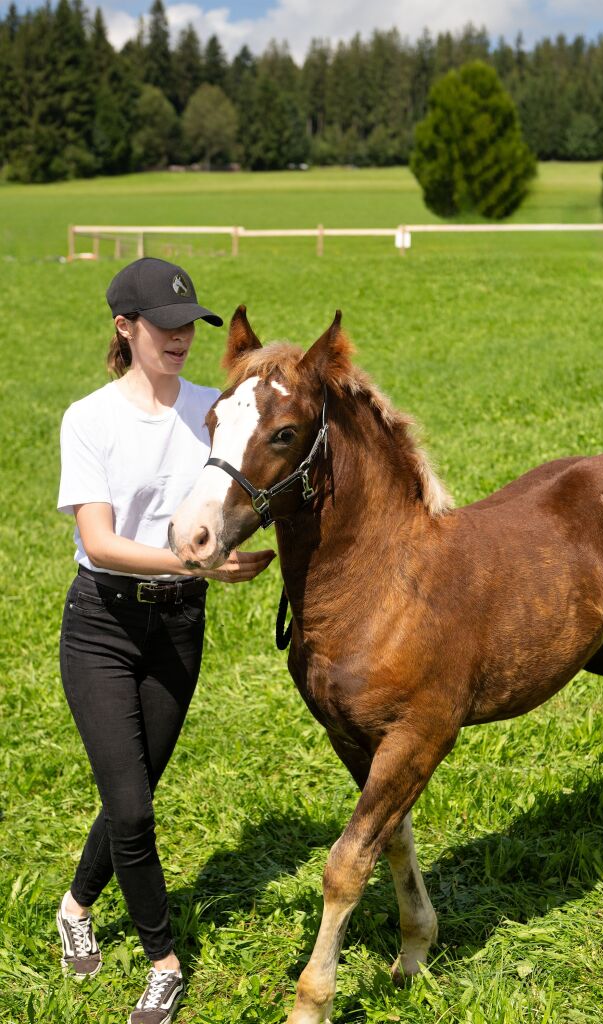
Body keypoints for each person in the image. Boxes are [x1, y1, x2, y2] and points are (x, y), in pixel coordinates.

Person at [56, 257, 274, 1024]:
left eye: (190, 325)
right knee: (133, 809)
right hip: (103, 626)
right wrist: (200, 563)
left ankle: (77, 905)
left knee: (132, 796)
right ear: (125, 326)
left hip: (179, 626)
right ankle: (164, 963)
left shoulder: (214, 409)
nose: (182, 337)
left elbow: (259, 468)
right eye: (165, 326)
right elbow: (101, 541)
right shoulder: (90, 419)